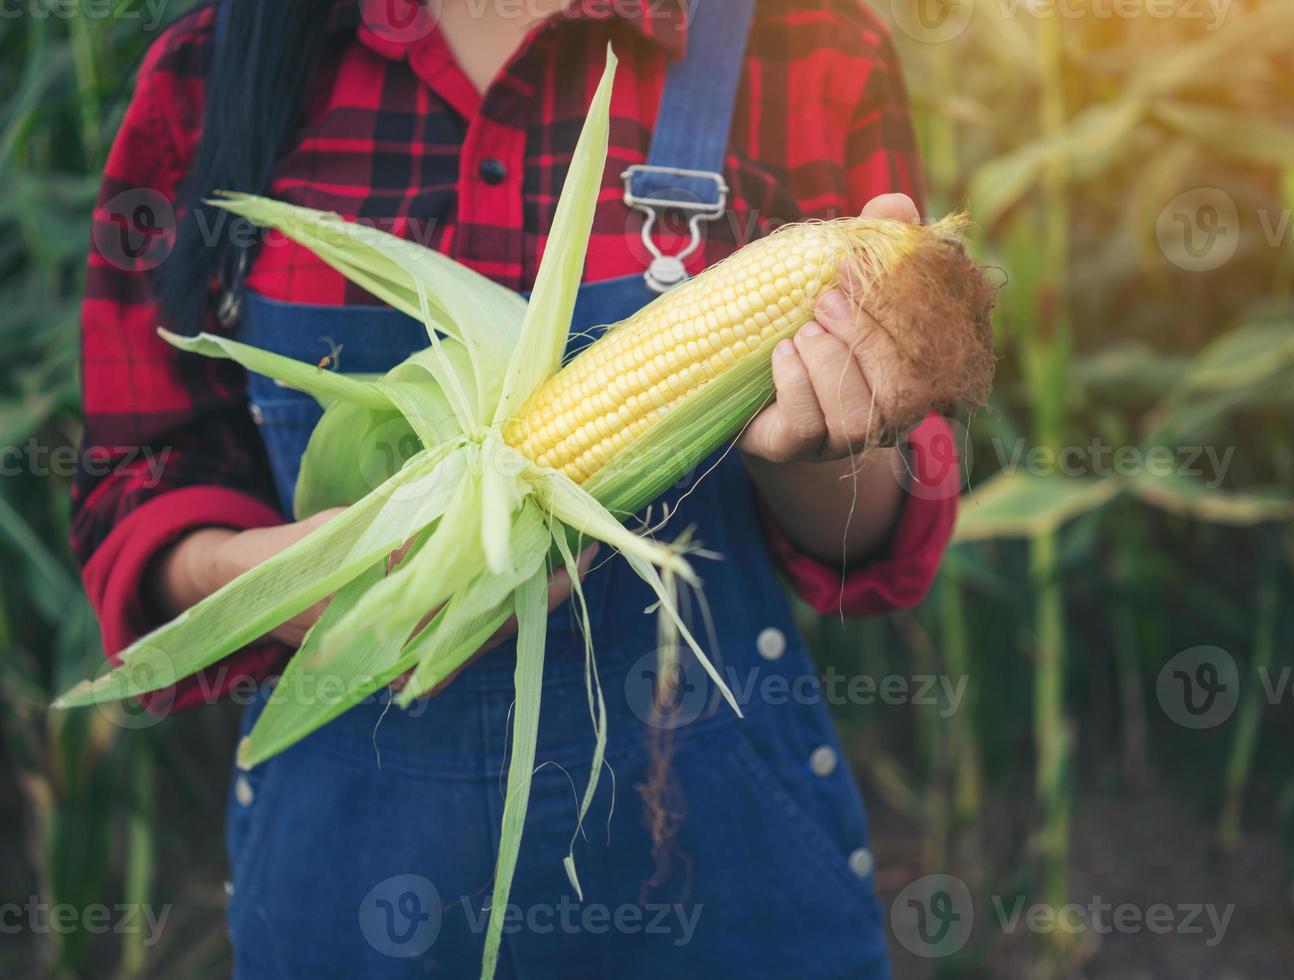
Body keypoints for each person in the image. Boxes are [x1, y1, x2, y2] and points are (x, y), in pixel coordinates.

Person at [74, 0, 965, 975]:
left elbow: (879, 544)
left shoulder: (811, 46)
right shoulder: (208, 67)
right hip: (352, 883)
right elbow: (139, 481)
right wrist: (272, 576)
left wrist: (827, 445)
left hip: (724, 868)